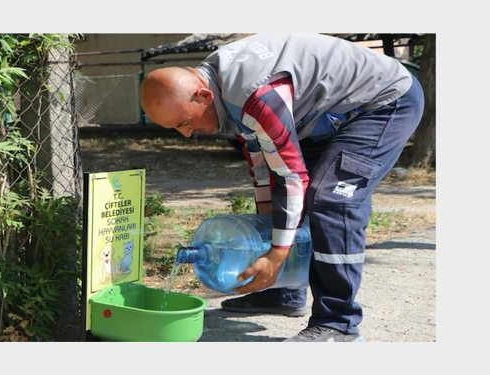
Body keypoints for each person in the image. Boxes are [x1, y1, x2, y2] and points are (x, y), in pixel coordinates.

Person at [140, 33, 424, 342]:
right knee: (288, 199)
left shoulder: (255, 94)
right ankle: (282, 291)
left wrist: (276, 255)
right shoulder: (221, 86)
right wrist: (266, 241)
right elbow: (265, 170)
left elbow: (291, 176)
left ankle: (338, 323)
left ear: (202, 96)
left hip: (383, 101)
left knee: (331, 201)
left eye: (184, 122)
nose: (186, 134)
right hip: (323, 114)